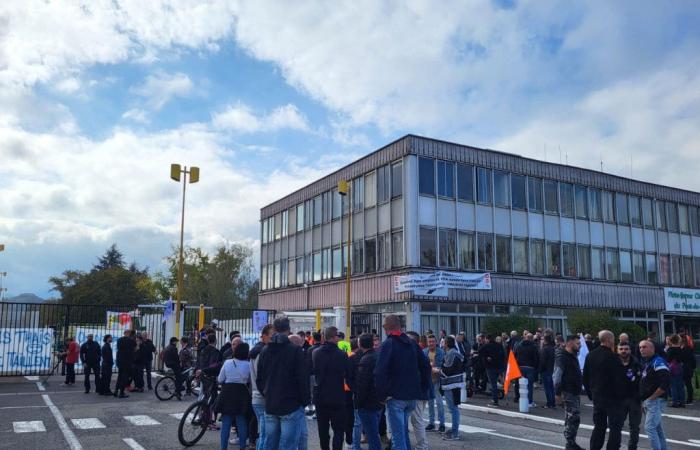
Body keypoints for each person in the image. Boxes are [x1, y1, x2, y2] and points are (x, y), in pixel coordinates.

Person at [374, 314, 430, 450]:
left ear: (386, 327)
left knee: (398, 438)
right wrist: (422, 388)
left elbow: (379, 373)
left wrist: (381, 396)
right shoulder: (412, 344)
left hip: (395, 396)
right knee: (403, 432)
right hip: (412, 396)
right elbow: (426, 366)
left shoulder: (388, 345)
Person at [256, 316, 309, 450]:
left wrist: (266, 393)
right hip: (291, 404)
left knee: (270, 443)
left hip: (271, 402)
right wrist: (304, 400)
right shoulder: (295, 351)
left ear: (274, 329)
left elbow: (260, 378)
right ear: (288, 330)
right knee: (288, 445)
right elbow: (302, 378)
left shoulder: (265, 351)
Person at [582, 330, 626, 450]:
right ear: (609, 340)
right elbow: (619, 379)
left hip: (597, 396)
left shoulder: (590, 355)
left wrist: (591, 394)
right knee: (615, 427)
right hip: (613, 398)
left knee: (599, 426)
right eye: (613, 339)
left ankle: (594, 447)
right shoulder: (614, 358)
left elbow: (585, 376)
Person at [312, 326, 350, 450]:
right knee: (339, 429)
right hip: (337, 395)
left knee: (322, 429)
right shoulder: (342, 355)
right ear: (334, 337)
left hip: (320, 395)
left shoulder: (316, 353)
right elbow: (347, 374)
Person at [218, 342, 252, 450]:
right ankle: (242, 447)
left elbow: (220, 379)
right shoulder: (248, 365)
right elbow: (250, 382)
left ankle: (223, 448)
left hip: (227, 393)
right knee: (241, 422)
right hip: (242, 394)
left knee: (226, 423)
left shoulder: (228, 362)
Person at [554, 335, 584, 450]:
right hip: (568, 391)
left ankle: (571, 442)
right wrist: (557, 394)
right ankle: (570, 443)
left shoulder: (572, 356)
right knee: (573, 417)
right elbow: (557, 376)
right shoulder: (562, 357)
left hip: (574, 391)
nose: (580, 345)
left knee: (574, 417)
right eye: (577, 343)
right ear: (570, 343)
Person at [639, 340, 670, 450]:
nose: (641, 349)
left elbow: (665, 382)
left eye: (644, 347)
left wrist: (651, 398)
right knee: (657, 428)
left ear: (652, 349)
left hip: (656, 400)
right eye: (640, 347)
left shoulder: (658, 361)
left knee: (650, 427)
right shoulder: (648, 362)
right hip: (650, 400)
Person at [354, 333, 382, 450]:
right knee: (374, 432)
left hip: (367, 403)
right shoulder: (377, 356)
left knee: (372, 435)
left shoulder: (365, 360)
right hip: (378, 400)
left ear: (360, 344)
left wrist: (358, 402)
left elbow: (362, 384)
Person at [250, 324, 274, 450]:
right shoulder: (262, 353)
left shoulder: (256, 351)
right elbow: (262, 378)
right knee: (266, 434)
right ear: (264, 337)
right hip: (262, 397)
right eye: (272, 336)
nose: (274, 339)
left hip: (256, 396)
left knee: (264, 432)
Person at [406, 331, 429, 450]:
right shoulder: (419, 353)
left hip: (417, 393)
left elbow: (422, 374)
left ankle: (422, 446)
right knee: (415, 420)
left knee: (417, 420)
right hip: (419, 392)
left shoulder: (416, 354)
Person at [618, 341, 642, 450]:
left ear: (630, 350)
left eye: (626, 349)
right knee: (616, 425)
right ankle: (615, 446)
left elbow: (643, 383)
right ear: (618, 350)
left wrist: (642, 399)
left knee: (635, 427)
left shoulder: (637, 364)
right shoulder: (613, 364)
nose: (624, 351)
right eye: (621, 349)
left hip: (635, 400)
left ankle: (632, 447)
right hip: (618, 400)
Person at [440, 336, 464, 441]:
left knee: (453, 409)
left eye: (444, 342)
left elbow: (447, 370)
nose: (442, 344)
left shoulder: (451, 354)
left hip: (451, 384)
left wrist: (438, 370)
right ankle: (454, 431)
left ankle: (454, 433)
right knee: (454, 408)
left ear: (447, 344)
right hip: (456, 384)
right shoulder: (456, 353)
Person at [423, 334, 445, 433]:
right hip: (428, 380)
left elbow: (440, 367)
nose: (431, 343)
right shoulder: (424, 352)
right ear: (427, 342)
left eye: (433, 341)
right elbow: (423, 366)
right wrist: (430, 367)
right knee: (430, 403)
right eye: (429, 341)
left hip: (437, 381)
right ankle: (431, 423)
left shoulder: (440, 352)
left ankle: (442, 424)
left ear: (436, 342)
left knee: (439, 403)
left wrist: (430, 367)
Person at [514, 332, 540, 407]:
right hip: (530, 367)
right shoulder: (533, 347)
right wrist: (535, 367)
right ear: (531, 338)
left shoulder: (519, 346)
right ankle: (529, 401)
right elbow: (536, 358)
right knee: (529, 385)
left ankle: (521, 400)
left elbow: (515, 356)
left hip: (520, 366)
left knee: (521, 385)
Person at [480, 334, 505, 407]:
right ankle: (496, 397)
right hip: (499, 367)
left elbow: (480, 351)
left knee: (493, 383)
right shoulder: (499, 345)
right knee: (496, 382)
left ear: (487, 339)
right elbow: (503, 355)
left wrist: (486, 357)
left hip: (490, 367)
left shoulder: (487, 346)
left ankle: (495, 401)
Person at [304, 331, 322, 417]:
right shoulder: (323, 348)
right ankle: (320, 410)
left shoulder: (310, 349)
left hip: (312, 373)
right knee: (320, 391)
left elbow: (308, 363)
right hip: (321, 374)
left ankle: (312, 410)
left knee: (312, 392)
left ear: (313, 339)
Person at [665, 334, 685, 408]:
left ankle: (675, 402)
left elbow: (668, 359)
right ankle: (682, 402)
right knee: (680, 385)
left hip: (672, 368)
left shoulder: (670, 350)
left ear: (671, 340)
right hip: (680, 367)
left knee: (673, 386)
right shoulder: (680, 349)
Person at [115, 330, 135, 398]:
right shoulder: (131, 341)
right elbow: (135, 349)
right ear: (128, 333)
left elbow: (118, 348)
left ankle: (116, 391)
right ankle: (121, 392)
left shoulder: (119, 340)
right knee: (125, 377)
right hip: (127, 362)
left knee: (119, 376)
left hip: (120, 361)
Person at [539, 334, 556, 409]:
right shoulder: (552, 348)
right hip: (551, 369)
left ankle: (549, 403)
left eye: (542, 339)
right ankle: (553, 402)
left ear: (545, 341)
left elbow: (542, 361)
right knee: (551, 387)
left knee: (547, 388)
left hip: (545, 370)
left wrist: (540, 370)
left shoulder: (544, 349)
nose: (541, 341)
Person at [680, 336, 696, 405]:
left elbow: (681, 359)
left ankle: (687, 399)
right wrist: (693, 367)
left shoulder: (683, 350)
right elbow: (693, 360)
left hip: (684, 368)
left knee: (684, 384)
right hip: (690, 368)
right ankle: (690, 398)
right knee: (689, 384)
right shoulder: (690, 350)